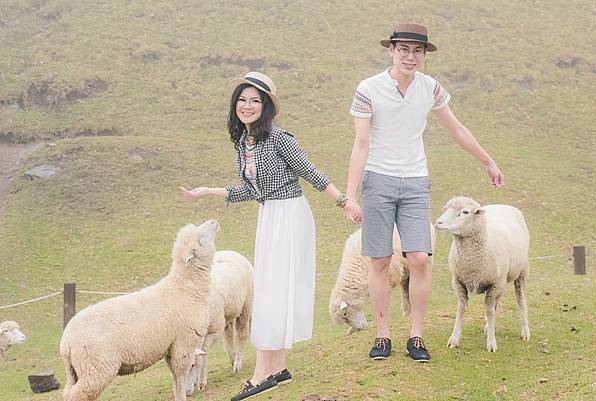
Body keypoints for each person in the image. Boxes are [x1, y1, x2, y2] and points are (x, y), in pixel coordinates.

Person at [180, 71, 351, 400]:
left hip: (290, 215)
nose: (247, 106)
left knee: (273, 291)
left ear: (267, 106)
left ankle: (261, 374)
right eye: (242, 100)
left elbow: (311, 172)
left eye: (255, 101)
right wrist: (208, 191)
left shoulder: (280, 138)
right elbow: (249, 189)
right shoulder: (244, 142)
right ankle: (278, 369)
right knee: (273, 289)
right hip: (269, 215)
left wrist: (343, 202)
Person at [343, 23, 504, 363]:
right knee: (381, 260)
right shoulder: (368, 88)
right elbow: (361, 142)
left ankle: (416, 336)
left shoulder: (430, 88)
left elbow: (456, 128)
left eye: (418, 51)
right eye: (404, 49)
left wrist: (488, 161)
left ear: (424, 55)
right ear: (392, 50)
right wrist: (351, 195)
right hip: (378, 180)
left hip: (415, 181)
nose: (410, 57)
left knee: (419, 259)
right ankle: (383, 334)